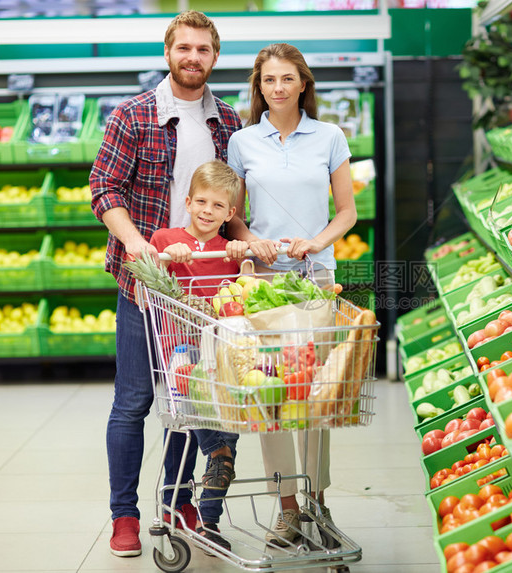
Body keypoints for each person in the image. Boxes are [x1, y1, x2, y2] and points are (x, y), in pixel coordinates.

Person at [89, 10, 242, 558]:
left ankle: (179, 500)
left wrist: (246, 249)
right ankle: (124, 516)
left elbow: (234, 200)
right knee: (134, 400)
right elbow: (104, 188)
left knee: (191, 397)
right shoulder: (133, 115)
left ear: (214, 56)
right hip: (146, 286)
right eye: (184, 48)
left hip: (206, 292)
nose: (192, 57)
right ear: (168, 52)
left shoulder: (227, 120)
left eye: (203, 49)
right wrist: (136, 244)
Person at [225, 42, 357, 548]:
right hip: (262, 285)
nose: (277, 88)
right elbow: (234, 214)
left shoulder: (329, 137)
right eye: (268, 81)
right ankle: (286, 508)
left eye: (286, 79)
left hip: (316, 279)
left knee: (315, 398)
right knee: (271, 396)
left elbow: (346, 211)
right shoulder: (243, 142)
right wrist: (250, 240)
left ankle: (317, 500)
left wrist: (317, 242)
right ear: (258, 88)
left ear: (303, 83)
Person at [150, 160, 248, 550]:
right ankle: (217, 454)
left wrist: (246, 258)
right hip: (183, 354)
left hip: (223, 356)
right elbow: (148, 278)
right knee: (217, 437)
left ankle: (209, 523)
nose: (208, 211)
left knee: (231, 429)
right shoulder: (165, 239)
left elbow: (248, 296)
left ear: (231, 213)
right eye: (201, 202)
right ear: (187, 202)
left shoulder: (229, 251)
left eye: (218, 206)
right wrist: (167, 257)